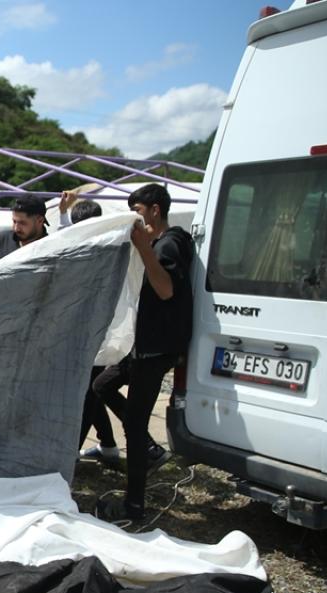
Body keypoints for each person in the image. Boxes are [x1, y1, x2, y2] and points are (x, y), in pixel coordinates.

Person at [92, 184, 194, 522]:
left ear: (153, 209)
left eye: (137, 211)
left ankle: (134, 505)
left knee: (134, 425)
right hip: (141, 345)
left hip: (156, 348)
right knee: (102, 385)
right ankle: (150, 449)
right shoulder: (156, 244)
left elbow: (165, 290)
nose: (136, 220)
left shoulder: (171, 242)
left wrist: (143, 248)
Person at [58, 192, 121, 466]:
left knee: (88, 392)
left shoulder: (101, 248)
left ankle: (71, 452)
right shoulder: (104, 243)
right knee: (91, 390)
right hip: (90, 333)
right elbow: (65, 238)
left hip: (94, 335)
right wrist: (62, 213)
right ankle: (107, 446)